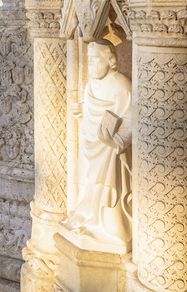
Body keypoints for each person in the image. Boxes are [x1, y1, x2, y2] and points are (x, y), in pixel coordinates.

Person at [59, 39, 132, 251]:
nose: (90, 65)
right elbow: (92, 114)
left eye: (94, 60)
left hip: (110, 152)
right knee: (88, 181)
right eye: (88, 60)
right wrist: (82, 112)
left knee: (108, 188)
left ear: (110, 60)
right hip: (90, 146)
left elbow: (133, 121)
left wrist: (116, 141)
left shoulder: (121, 85)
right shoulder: (91, 85)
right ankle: (88, 218)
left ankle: (111, 228)